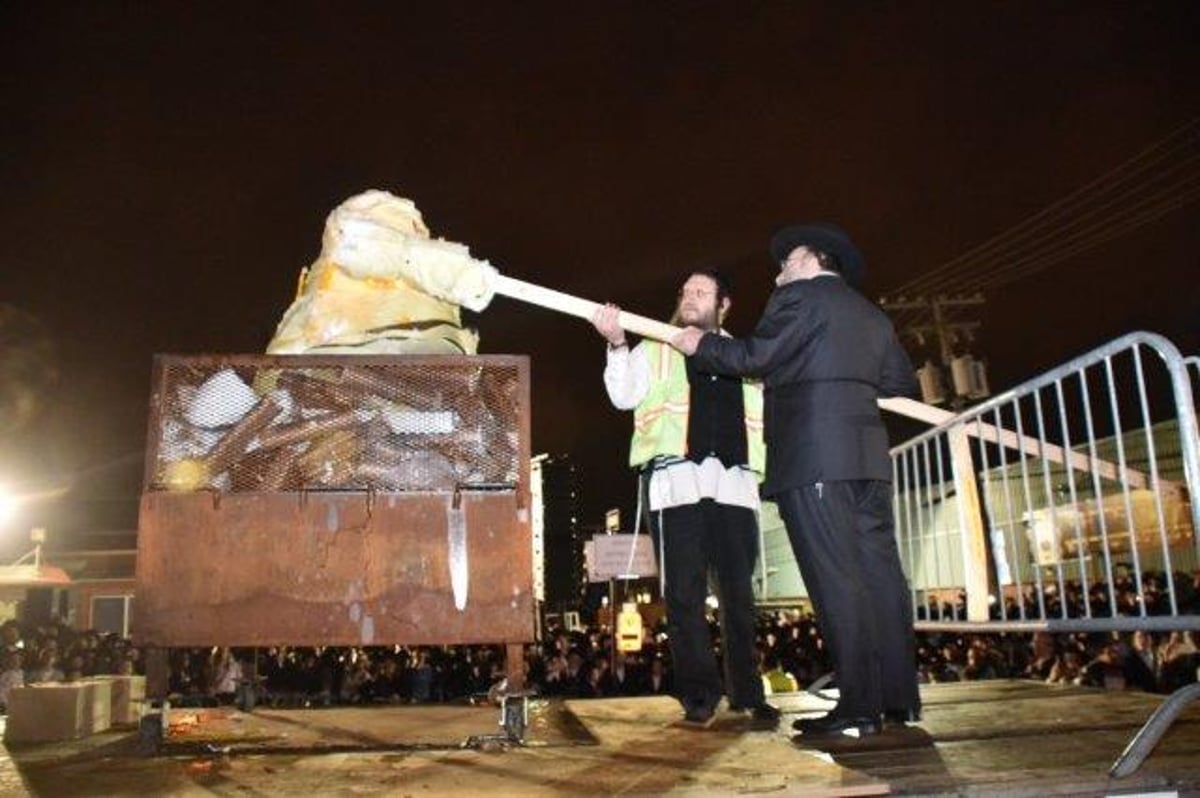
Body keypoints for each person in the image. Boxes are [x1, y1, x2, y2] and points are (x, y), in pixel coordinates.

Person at [673, 224, 921, 737]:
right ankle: (898, 699)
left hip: (814, 462)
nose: (779, 271)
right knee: (881, 580)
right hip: (869, 464)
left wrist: (699, 343)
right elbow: (899, 382)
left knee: (837, 581)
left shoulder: (797, 300)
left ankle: (857, 705)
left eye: (785, 261)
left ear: (810, 260)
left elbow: (753, 358)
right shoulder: (870, 314)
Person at [591, 268, 778, 728]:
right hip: (675, 486)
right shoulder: (656, 346)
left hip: (734, 486)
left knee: (738, 597)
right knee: (683, 596)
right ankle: (699, 696)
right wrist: (616, 343)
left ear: (723, 304)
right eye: (685, 292)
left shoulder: (746, 355)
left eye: (701, 292)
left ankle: (747, 695)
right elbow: (622, 395)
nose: (689, 298)